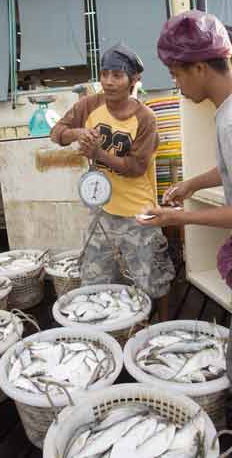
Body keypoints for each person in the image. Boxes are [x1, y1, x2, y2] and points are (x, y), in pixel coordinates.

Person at [138, 9, 232, 455]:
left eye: (177, 74)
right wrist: (192, 184)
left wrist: (183, 218)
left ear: (200, 67)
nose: (176, 84)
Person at [51, 42, 175, 321]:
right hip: (102, 211)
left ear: (134, 80)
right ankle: (104, 329)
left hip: (139, 213)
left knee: (153, 279)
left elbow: (134, 167)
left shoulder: (145, 118)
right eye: (104, 73)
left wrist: (98, 154)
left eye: (117, 75)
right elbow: (56, 131)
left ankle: (163, 326)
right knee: (94, 279)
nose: (108, 81)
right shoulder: (89, 104)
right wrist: (78, 133)